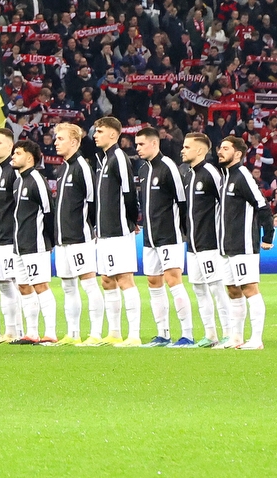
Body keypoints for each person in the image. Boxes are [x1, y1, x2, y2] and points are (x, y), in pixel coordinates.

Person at [134, 127, 193, 347]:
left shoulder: (168, 166)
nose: (137, 148)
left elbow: (182, 202)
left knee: (173, 280)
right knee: (153, 282)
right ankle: (163, 334)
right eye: (137, 144)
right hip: (150, 236)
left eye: (141, 144)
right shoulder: (142, 170)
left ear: (154, 143)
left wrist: (185, 232)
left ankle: (187, 334)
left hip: (170, 235)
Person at [216, 136, 275, 349]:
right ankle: (236, 337)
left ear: (238, 154)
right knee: (232, 290)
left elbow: (262, 205)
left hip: (243, 245)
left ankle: (257, 339)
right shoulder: (226, 176)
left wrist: (267, 236)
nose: (220, 152)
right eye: (220, 148)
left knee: (249, 288)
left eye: (225, 149)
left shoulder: (242, 175)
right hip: (227, 246)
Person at [51, 123, 105, 346]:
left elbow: (93, 202)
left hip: (80, 237)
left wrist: (90, 229)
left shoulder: (82, 166)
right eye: (56, 138)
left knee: (89, 284)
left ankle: (95, 333)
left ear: (74, 142)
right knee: (67, 286)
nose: (56, 142)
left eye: (60, 138)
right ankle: (72, 333)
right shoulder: (63, 168)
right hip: (62, 239)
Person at [93, 117, 143, 347]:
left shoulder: (119, 157)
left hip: (119, 229)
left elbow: (129, 191)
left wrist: (133, 219)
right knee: (107, 280)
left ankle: (134, 335)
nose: (95, 134)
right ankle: (114, 332)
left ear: (113, 135)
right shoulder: (103, 160)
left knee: (124, 279)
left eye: (100, 131)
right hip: (104, 232)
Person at [181, 133, 232, 347]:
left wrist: (223, 236)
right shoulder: (188, 173)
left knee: (217, 288)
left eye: (186, 147)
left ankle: (230, 333)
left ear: (200, 151)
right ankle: (210, 334)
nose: (182, 150)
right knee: (199, 288)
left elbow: (226, 204)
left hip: (210, 242)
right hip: (192, 243)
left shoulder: (211, 172)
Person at [9, 140, 55, 345]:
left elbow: (48, 211)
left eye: (17, 153)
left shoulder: (36, 179)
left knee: (40, 285)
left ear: (29, 157)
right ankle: (32, 333)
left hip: (36, 244)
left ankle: (51, 333)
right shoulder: (18, 181)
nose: (13, 156)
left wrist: (49, 240)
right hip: (19, 245)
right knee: (24, 287)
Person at [0, 128, 24, 344]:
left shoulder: (13, 171)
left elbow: (20, 204)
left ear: (10, 147)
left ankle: (19, 330)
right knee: (1, 283)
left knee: (16, 284)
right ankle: (9, 331)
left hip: (11, 239)